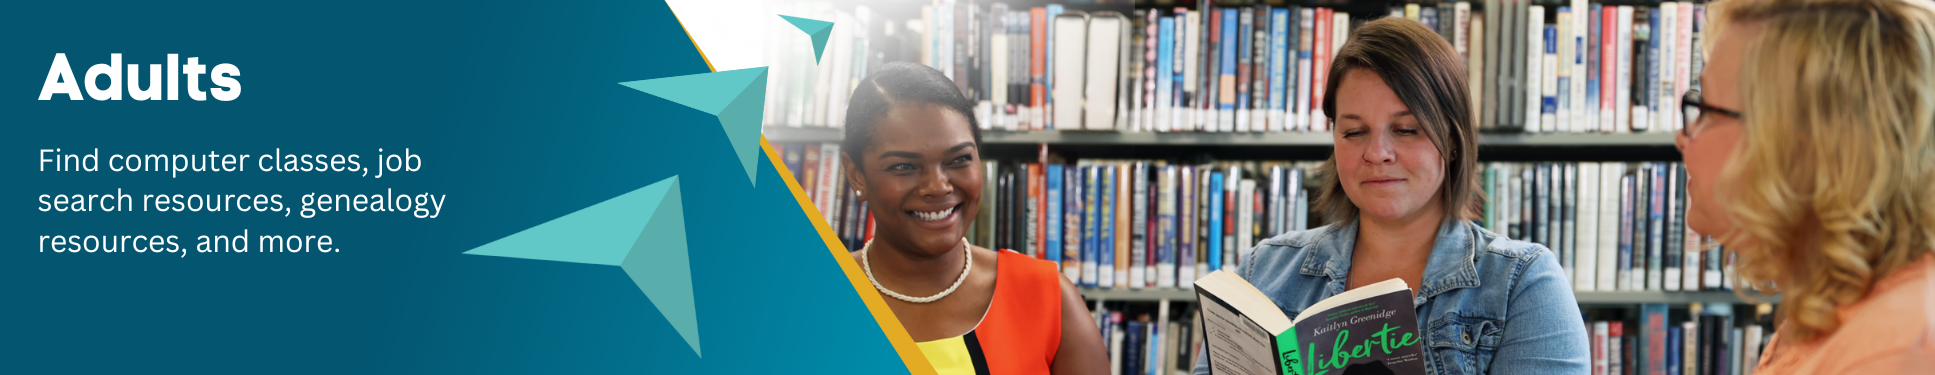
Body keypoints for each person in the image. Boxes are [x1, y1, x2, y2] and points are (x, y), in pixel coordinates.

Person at [1192, 18, 1588, 375]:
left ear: (1452, 141)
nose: (1376, 152)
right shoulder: (1264, 271)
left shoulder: (1521, 284)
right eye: (1353, 132)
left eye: (1406, 129)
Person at [1681, 0, 1935, 373]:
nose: (1683, 138)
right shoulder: (1831, 316)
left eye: (1706, 109)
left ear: (1799, 156)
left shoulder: (1892, 352)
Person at [840, 62, 1108, 375]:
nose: (938, 186)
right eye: (904, 166)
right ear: (856, 176)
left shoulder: (1047, 297)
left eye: (959, 160)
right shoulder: (812, 304)